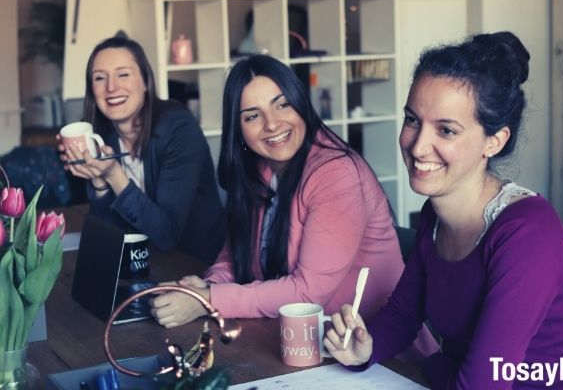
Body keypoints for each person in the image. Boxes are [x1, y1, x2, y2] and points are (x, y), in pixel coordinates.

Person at [324, 32, 563, 389]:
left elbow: (485, 382)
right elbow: (404, 314)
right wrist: (364, 350)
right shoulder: (434, 216)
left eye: (446, 130)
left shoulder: (529, 233)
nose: (419, 145)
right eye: (412, 120)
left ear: (494, 141)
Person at [149, 54, 437, 356]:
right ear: (239, 130)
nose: (272, 124)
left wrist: (208, 299)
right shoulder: (259, 168)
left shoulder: (335, 172)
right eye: (252, 115)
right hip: (309, 345)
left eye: (282, 104)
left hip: (379, 351)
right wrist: (204, 286)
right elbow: (234, 256)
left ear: (301, 104)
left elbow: (308, 292)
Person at [59, 36, 225, 262]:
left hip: (195, 265)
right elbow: (108, 234)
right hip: (141, 261)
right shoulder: (103, 137)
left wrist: (114, 175)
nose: (111, 87)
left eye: (123, 74)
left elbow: (166, 235)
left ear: (145, 81)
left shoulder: (179, 128)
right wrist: (99, 184)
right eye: (100, 78)